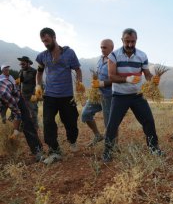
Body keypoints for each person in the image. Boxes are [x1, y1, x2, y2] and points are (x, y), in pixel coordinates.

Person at [102, 28, 163, 162]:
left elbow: (147, 74)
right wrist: (127, 79)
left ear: (136, 40)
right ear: (122, 40)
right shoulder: (114, 55)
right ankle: (107, 151)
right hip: (119, 95)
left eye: (133, 42)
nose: (130, 45)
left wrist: (153, 80)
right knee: (112, 124)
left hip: (137, 95)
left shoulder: (142, 55)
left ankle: (154, 148)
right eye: (127, 41)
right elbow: (111, 76)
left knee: (148, 121)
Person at [35, 27, 85, 164]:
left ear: (54, 37)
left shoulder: (69, 53)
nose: (45, 43)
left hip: (67, 95)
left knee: (71, 121)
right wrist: (38, 85)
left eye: (47, 40)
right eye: (43, 41)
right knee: (47, 122)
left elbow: (78, 70)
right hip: (50, 96)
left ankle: (72, 140)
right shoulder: (43, 56)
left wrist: (79, 83)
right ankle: (55, 151)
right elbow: (39, 72)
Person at [0, 77, 44, 162]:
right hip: (5, 97)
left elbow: (17, 112)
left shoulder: (4, 94)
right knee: (7, 122)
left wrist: (16, 130)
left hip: (17, 98)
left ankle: (38, 151)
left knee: (27, 125)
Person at [82, 39, 114, 147]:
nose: (102, 49)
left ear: (111, 48)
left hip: (108, 96)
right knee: (85, 114)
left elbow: (115, 79)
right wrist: (95, 82)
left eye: (104, 47)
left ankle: (113, 145)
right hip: (96, 94)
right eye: (101, 47)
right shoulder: (100, 59)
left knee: (109, 122)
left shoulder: (115, 60)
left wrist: (100, 83)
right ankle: (97, 135)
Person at [17, 56, 39, 130]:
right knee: (23, 111)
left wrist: (35, 94)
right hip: (23, 96)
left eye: (23, 64)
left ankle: (35, 127)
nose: (22, 65)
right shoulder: (21, 71)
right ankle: (23, 127)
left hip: (32, 95)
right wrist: (18, 92)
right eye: (21, 64)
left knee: (33, 111)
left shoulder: (34, 71)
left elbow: (38, 83)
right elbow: (18, 83)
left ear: (28, 63)